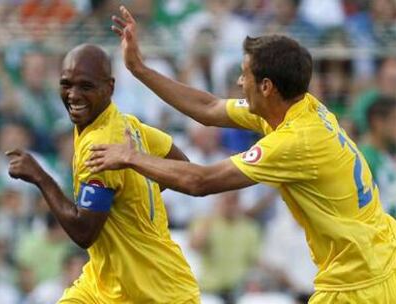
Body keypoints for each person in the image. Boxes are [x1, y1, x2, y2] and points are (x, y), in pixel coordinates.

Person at [85, 6, 396, 304]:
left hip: (357, 285)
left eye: (244, 74)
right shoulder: (299, 107)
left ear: (266, 87)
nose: (237, 82)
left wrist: (131, 157)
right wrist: (139, 68)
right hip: (381, 259)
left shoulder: (294, 142)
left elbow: (201, 181)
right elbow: (208, 108)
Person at [6, 43, 200, 303]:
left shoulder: (102, 143)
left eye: (85, 86)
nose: (73, 95)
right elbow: (180, 162)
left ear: (109, 87)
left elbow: (84, 232)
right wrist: (133, 195)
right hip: (103, 282)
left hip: (155, 290)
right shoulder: (127, 124)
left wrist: (40, 177)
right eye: (66, 84)